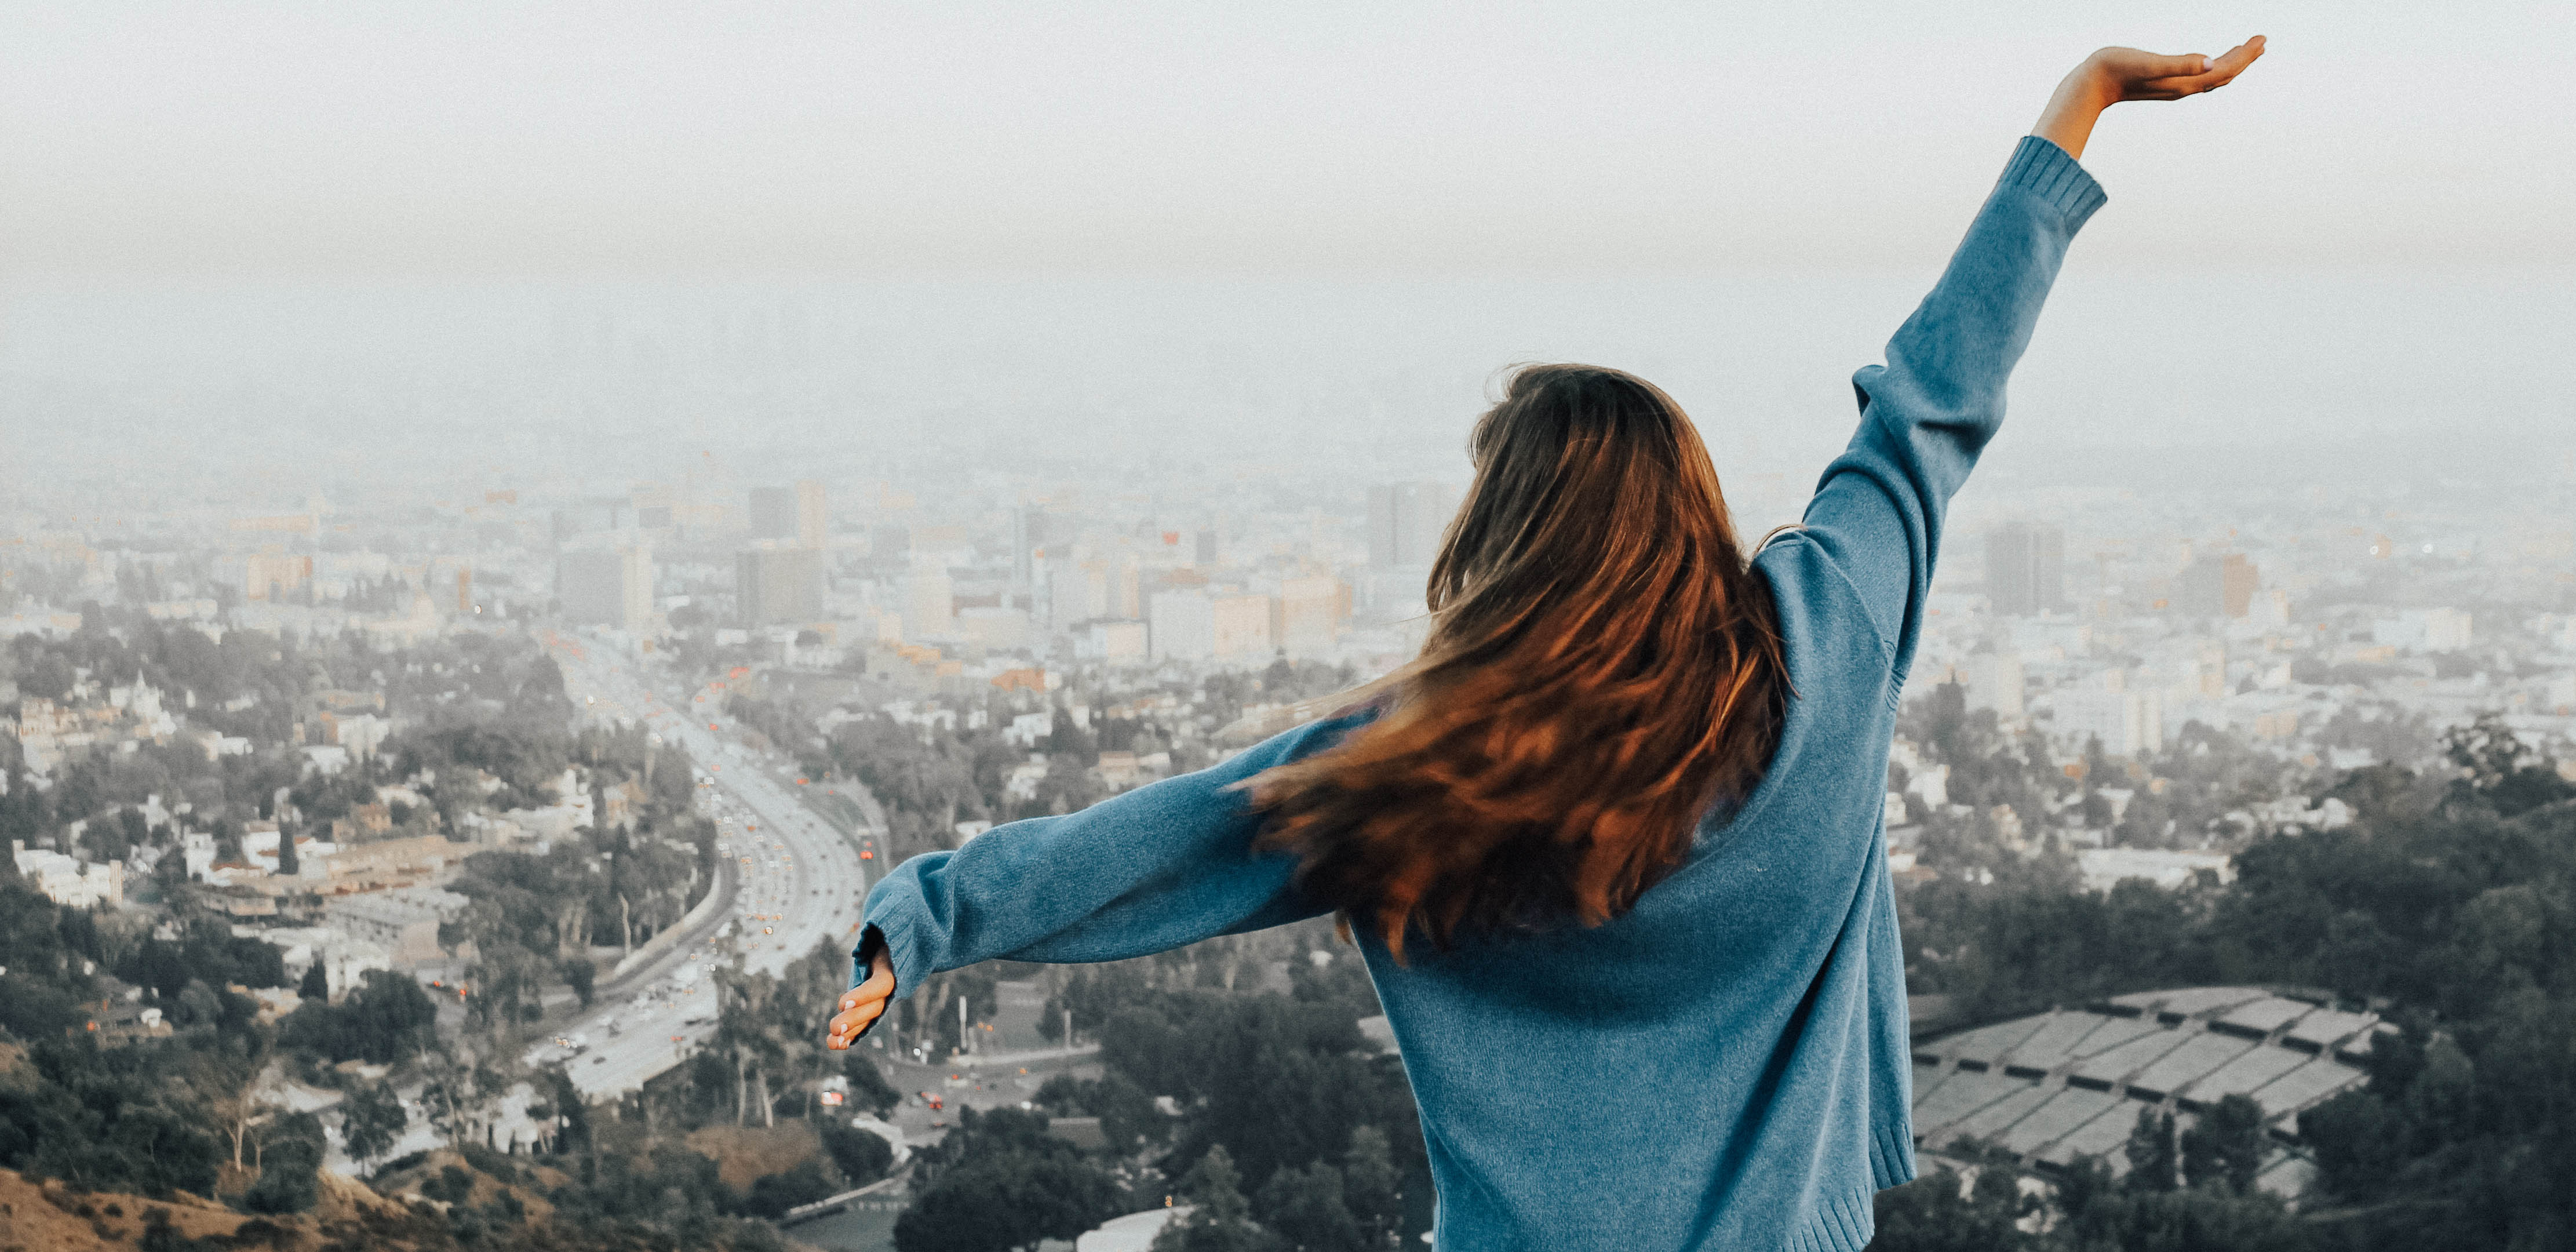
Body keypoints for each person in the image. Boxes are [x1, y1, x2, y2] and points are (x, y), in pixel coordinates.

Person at [826, 38, 2265, 1250]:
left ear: (1508, 538)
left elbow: (1185, 837)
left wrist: (928, 920)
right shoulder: (1825, 646)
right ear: (1684, 512)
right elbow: (1932, 404)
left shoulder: (1416, 772)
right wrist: (2074, 110)